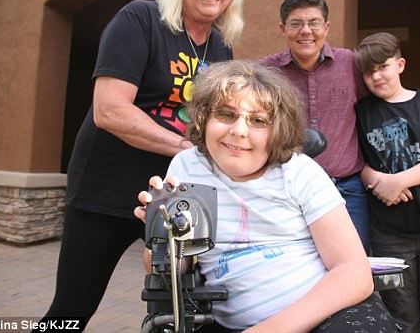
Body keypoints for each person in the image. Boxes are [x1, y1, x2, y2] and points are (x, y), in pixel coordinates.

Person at [37, 0, 246, 331]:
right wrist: (187, 147)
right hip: (106, 190)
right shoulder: (141, 19)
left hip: (174, 194)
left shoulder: (221, 47)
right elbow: (110, 110)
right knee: (72, 309)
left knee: (182, 305)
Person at [135, 60, 399, 333]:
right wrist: (162, 238)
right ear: (204, 118)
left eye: (258, 120)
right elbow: (171, 273)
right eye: (226, 114)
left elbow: (354, 273)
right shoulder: (188, 167)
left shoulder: (299, 172)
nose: (239, 130)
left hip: (328, 314)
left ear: (277, 131)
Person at [354, 32, 420, 333]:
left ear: (400, 65)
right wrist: (377, 181)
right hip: (389, 234)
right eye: (369, 71)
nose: (376, 76)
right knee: (400, 318)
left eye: (383, 67)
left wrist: (397, 182)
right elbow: (355, 161)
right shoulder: (362, 112)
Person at [259, 0, 371, 252]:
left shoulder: (351, 64)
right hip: (287, 191)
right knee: (298, 261)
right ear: (283, 28)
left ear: (326, 27)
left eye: (314, 23)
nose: (306, 31)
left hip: (347, 189)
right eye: (296, 23)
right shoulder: (266, 72)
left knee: (355, 260)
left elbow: (376, 108)